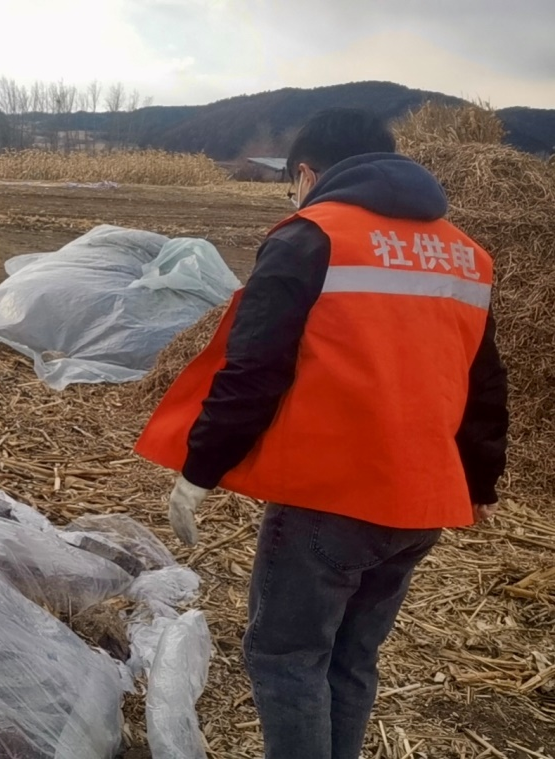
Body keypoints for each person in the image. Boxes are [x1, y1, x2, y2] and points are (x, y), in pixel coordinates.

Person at [134, 108, 509, 759]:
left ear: (306, 173)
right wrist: (478, 482)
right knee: (351, 658)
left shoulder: (312, 236)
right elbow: (486, 384)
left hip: (331, 498)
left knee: (286, 658)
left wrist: (200, 469)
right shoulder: (464, 254)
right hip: (423, 503)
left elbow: (254, 369)